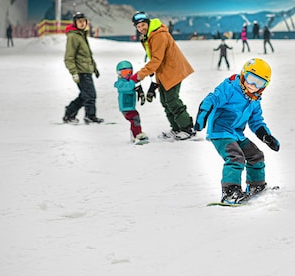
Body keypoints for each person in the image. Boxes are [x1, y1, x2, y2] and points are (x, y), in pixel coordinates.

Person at [193, 58, 280, 204]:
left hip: (237, 134)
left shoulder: (255, 100)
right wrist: (203, 114)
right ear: (243, 74)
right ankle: (230, 192)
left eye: (259, 83)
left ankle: (256, 186)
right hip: (220, 132)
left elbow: (256, 121)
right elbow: (212, 99)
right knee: (235, 157)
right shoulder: (230, 87)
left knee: (256, 155)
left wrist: (266, 136)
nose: (252, 85)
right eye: (251, 79)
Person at [130, 11, 195, 140]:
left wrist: (140, 75)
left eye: (143, 25)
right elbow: (157, 58)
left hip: (173, 70)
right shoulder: (149, 35)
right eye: (138, 27)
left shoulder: (158, 35)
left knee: (172, 100)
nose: (141, 28)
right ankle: (176, 128)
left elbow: (156, 59)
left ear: (148, 23)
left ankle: (187, 128)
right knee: (165, 101)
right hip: (164, 71)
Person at [63, 11, 103, 124]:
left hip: (87, 70)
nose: (82, 23)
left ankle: (69, 113)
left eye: (84, 21)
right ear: (75, 23)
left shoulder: (81, 35)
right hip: (81, 71)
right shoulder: (73, 37)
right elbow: (69, 57)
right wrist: (74, 72)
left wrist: (94, 68)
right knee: (90, 95)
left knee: (84, 95)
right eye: (79, 21)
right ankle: (90, 116)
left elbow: (88, 55)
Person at [114, 60, 149, 145]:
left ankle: (135, 134)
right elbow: (128, 86)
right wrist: (133, 80)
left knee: (134, 119)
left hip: (130, 106)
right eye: (124, 72)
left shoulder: (129, 81)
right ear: (119, 73)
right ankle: (137, 134)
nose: (127, 74)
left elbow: (133, 83)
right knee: (135, 118)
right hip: (125, 107)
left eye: (129, 72)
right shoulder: (120, 83)